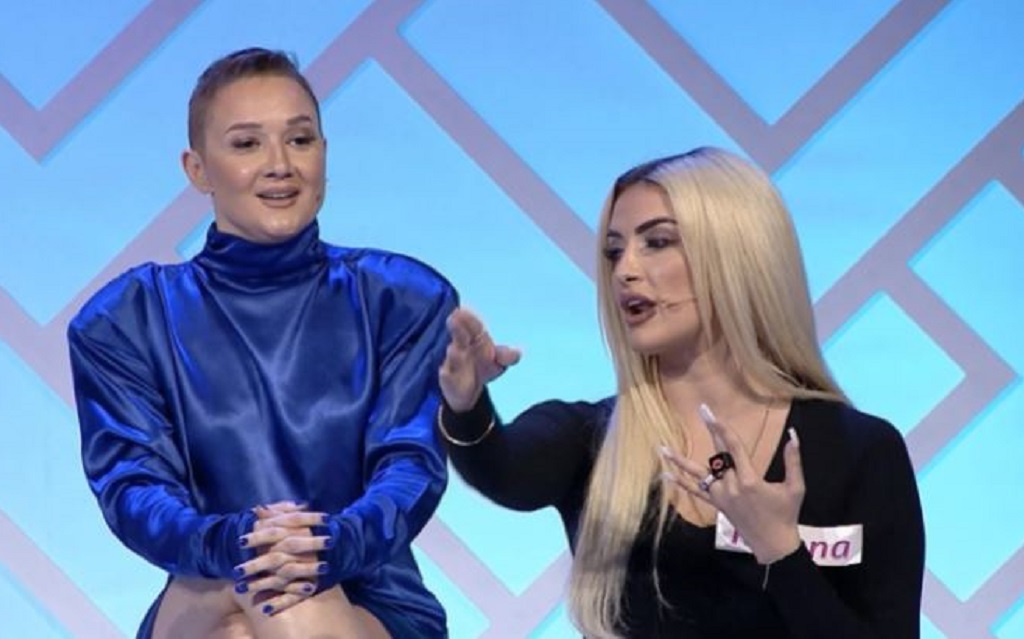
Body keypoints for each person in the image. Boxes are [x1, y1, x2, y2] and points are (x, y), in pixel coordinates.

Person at [436, 147, 925, 638]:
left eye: (657, 242)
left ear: (738, 255)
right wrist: (466, 405)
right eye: (614, 251)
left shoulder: (859, 451)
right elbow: (502, 468)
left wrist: (781, 552)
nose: (624, 270)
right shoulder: (590, 439)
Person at [68, 47, 456, 639]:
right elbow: (133, 488)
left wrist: (327, 544)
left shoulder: (402, 299)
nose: (280, 165)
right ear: (198, 169)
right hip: (205, 578)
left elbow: (410, 467)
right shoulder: (127, 320)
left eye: (299, 140)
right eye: (247, 144)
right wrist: (235, 542)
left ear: (324, 152)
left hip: (372, 594)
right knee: (257, 589)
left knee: (264, 613)